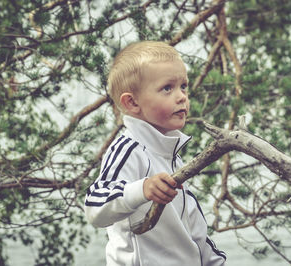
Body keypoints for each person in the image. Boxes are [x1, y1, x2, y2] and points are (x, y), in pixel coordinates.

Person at [84, 41, 226, 266]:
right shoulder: (128, 149)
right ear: (132, 102)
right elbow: (95, 207)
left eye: (183, 86)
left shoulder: (172, 157)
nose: (181, 96)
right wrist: (142, 189)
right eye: (167, 88)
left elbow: (195, 231)